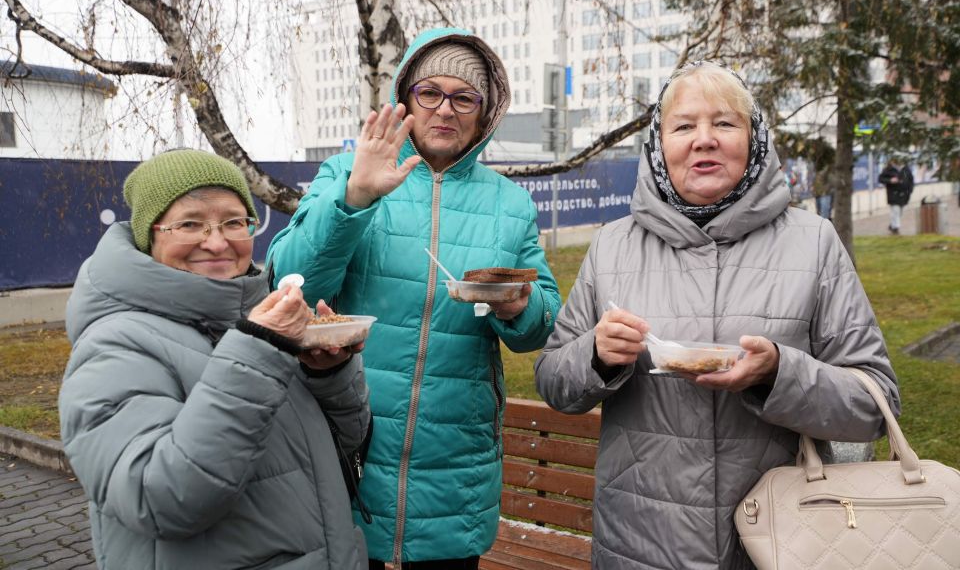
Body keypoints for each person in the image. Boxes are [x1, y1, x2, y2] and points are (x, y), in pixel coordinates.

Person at [534, 61, 899, 569]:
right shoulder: (612, 246)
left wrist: (778, 374)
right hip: (639, 545)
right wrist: (595, 356)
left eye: (725, 123)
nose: (704, 139)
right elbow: (554, 382)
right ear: (659, 146)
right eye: (684, 125)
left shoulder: (813, 243)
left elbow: (875, 404)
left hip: (780, 542)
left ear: (755, 139)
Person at [268, 28, 561, 569]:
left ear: (485, 110)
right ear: (406, 98)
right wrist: (354, 198)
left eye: (464, 97)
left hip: (456, 464)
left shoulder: (510, 203)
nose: (445, 109)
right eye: (430, 92)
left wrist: (518, 307)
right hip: (348, 446)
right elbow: (287, 282)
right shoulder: (345, 173)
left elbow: (543, 321)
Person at [59, 149, 371, 570]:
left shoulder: (251, 319)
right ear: (148, 236)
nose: (218, 241)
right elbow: (159, 499)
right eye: (190, 224)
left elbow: (340, 450)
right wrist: (260, 351)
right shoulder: (114, 343)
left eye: (234, 222)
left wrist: (328, 373)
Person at [878, 155, 914, 234]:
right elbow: (880, 179)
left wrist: (910, 190)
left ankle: (892, 225)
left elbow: (911, 180)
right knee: (895, 210)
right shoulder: (889, 169)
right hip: (893, 194)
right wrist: (890, 180)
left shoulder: (906, 169)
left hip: (904, 194)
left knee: (900, 211)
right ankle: (896, 228)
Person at [813, 146, 835, 220]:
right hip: (818, 194)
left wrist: (827, 188)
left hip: (825, 194)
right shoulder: (817, 166)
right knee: (820, 216)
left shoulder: (829, 166)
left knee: (824, 217)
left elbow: (832, 180)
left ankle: (827, 230)